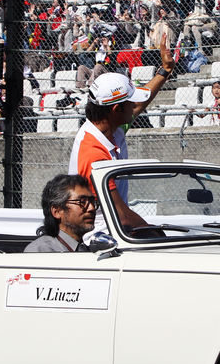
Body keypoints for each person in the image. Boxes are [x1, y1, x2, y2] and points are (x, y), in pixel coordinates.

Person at [69, 38, 173, 233]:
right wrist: (157, 233)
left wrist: (165, 70)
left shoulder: (111, 126)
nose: (134, 106)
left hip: (113, 226)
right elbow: (121, 215)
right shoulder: (92, 154)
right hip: (98, 234)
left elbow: (139, 104)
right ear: (116, 109)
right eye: (129, 103)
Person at [24, 174, 98, 253]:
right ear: (57, 211)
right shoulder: (42, 251)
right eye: (82, 202)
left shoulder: (88, 250)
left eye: (92, 202)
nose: (91, 208)